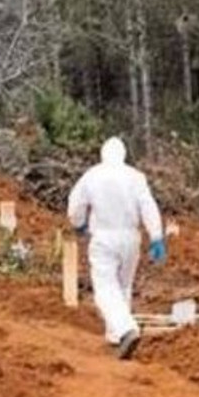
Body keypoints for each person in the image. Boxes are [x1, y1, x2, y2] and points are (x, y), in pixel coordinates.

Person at [67, 137, 166, 359]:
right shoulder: (135, 177)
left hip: (103, 236)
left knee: (104, 289)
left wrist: (79, 224)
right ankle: (115, 337)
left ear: (102, 154)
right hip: (130, 237)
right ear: (123, 155)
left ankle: (125, 330)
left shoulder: (92, 175)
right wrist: (157, 237)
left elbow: (75, 206)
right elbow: (148, 206)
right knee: (123, 286)